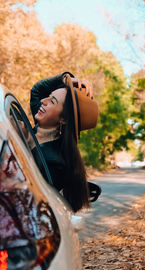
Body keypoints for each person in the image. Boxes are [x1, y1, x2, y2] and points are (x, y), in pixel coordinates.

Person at [26, 72, 101, 212]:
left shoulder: (53, 161)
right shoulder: (42, 121)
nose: (43, 101)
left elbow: (29, 197)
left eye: (52, 101)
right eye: (48, 97)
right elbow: (37, 89)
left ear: (63, 119)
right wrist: (69, 79)